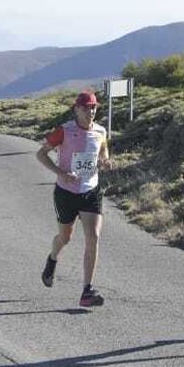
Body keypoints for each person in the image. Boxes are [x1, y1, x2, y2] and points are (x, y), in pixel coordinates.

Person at [37, 90, 111, 306]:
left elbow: (103, 150)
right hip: (66, 193)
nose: (91, 111)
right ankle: (52, 259)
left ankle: (87, 291)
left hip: (91, 190)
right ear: (76, 109)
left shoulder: (100, 130)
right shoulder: (64, 131)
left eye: (94, 107)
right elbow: (41, 154)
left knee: (93, 237)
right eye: (87, 107)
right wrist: (60, 172)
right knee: (65, 238)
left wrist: (105, 161)